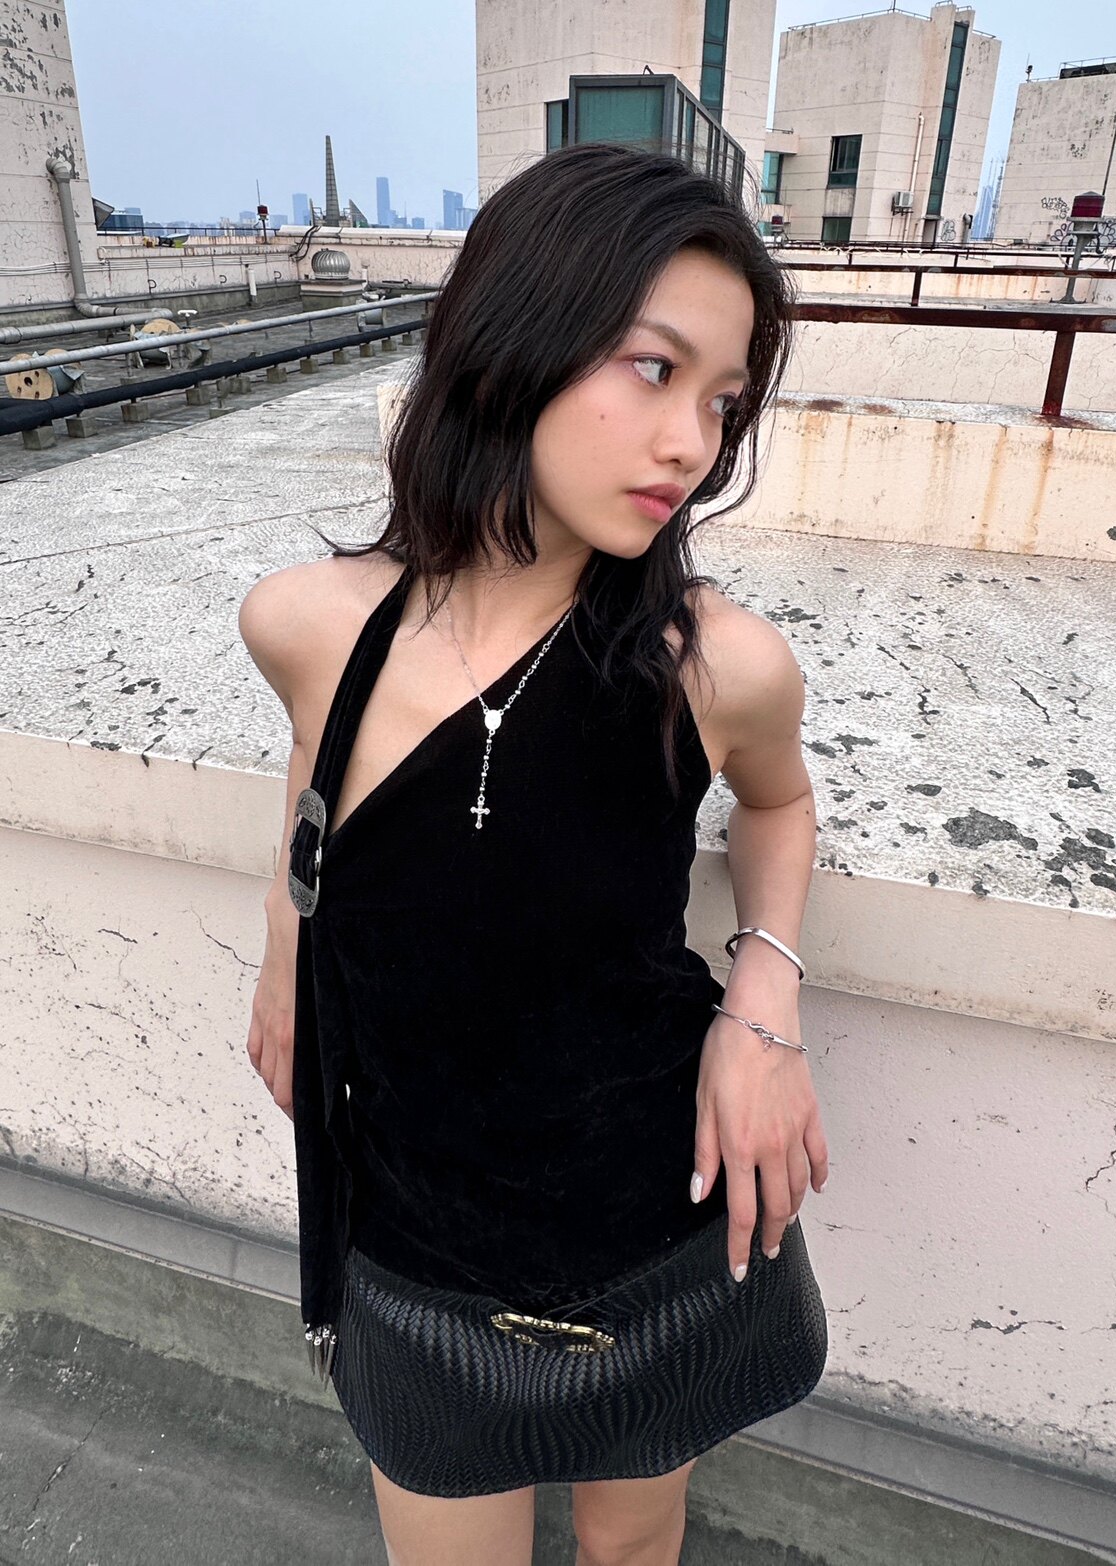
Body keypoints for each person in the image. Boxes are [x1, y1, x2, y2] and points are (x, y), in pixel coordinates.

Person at [237, 140, 830, 1566]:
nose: (691, 443)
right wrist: (285, 953)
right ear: (519, 334)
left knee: (633, 1547)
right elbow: (316, 788)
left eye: (723, 401)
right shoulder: (309, 625)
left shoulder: (718, 665)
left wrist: (764, 998)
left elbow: (779, 807)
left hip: (656, 1225)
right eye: (654, 368)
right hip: (415, 1244)